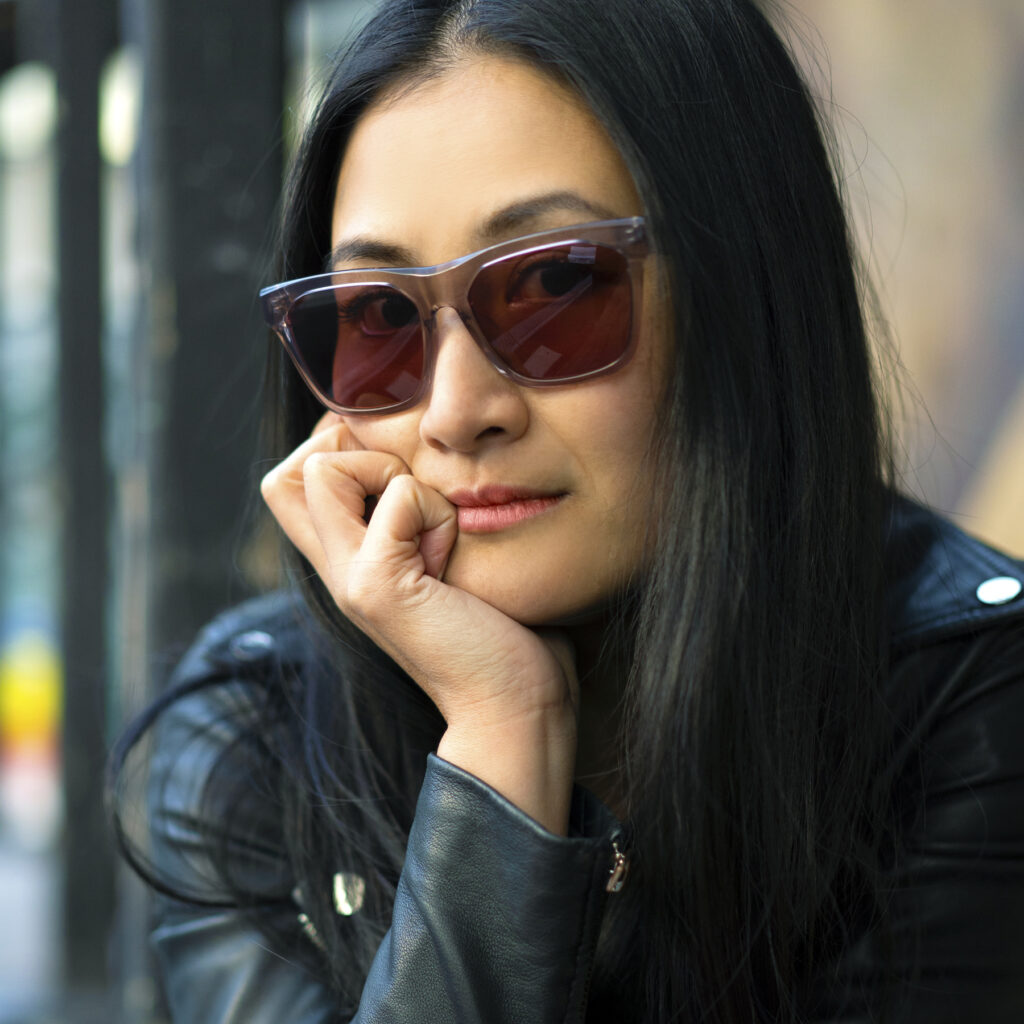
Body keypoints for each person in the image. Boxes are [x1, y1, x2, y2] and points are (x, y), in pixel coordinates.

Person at [109, 0, 1024, 1020]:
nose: (457, 411)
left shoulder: (975, 704)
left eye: (551, 286)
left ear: (743, 297)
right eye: (376, 317)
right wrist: (504, 741)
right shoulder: (254, 740)